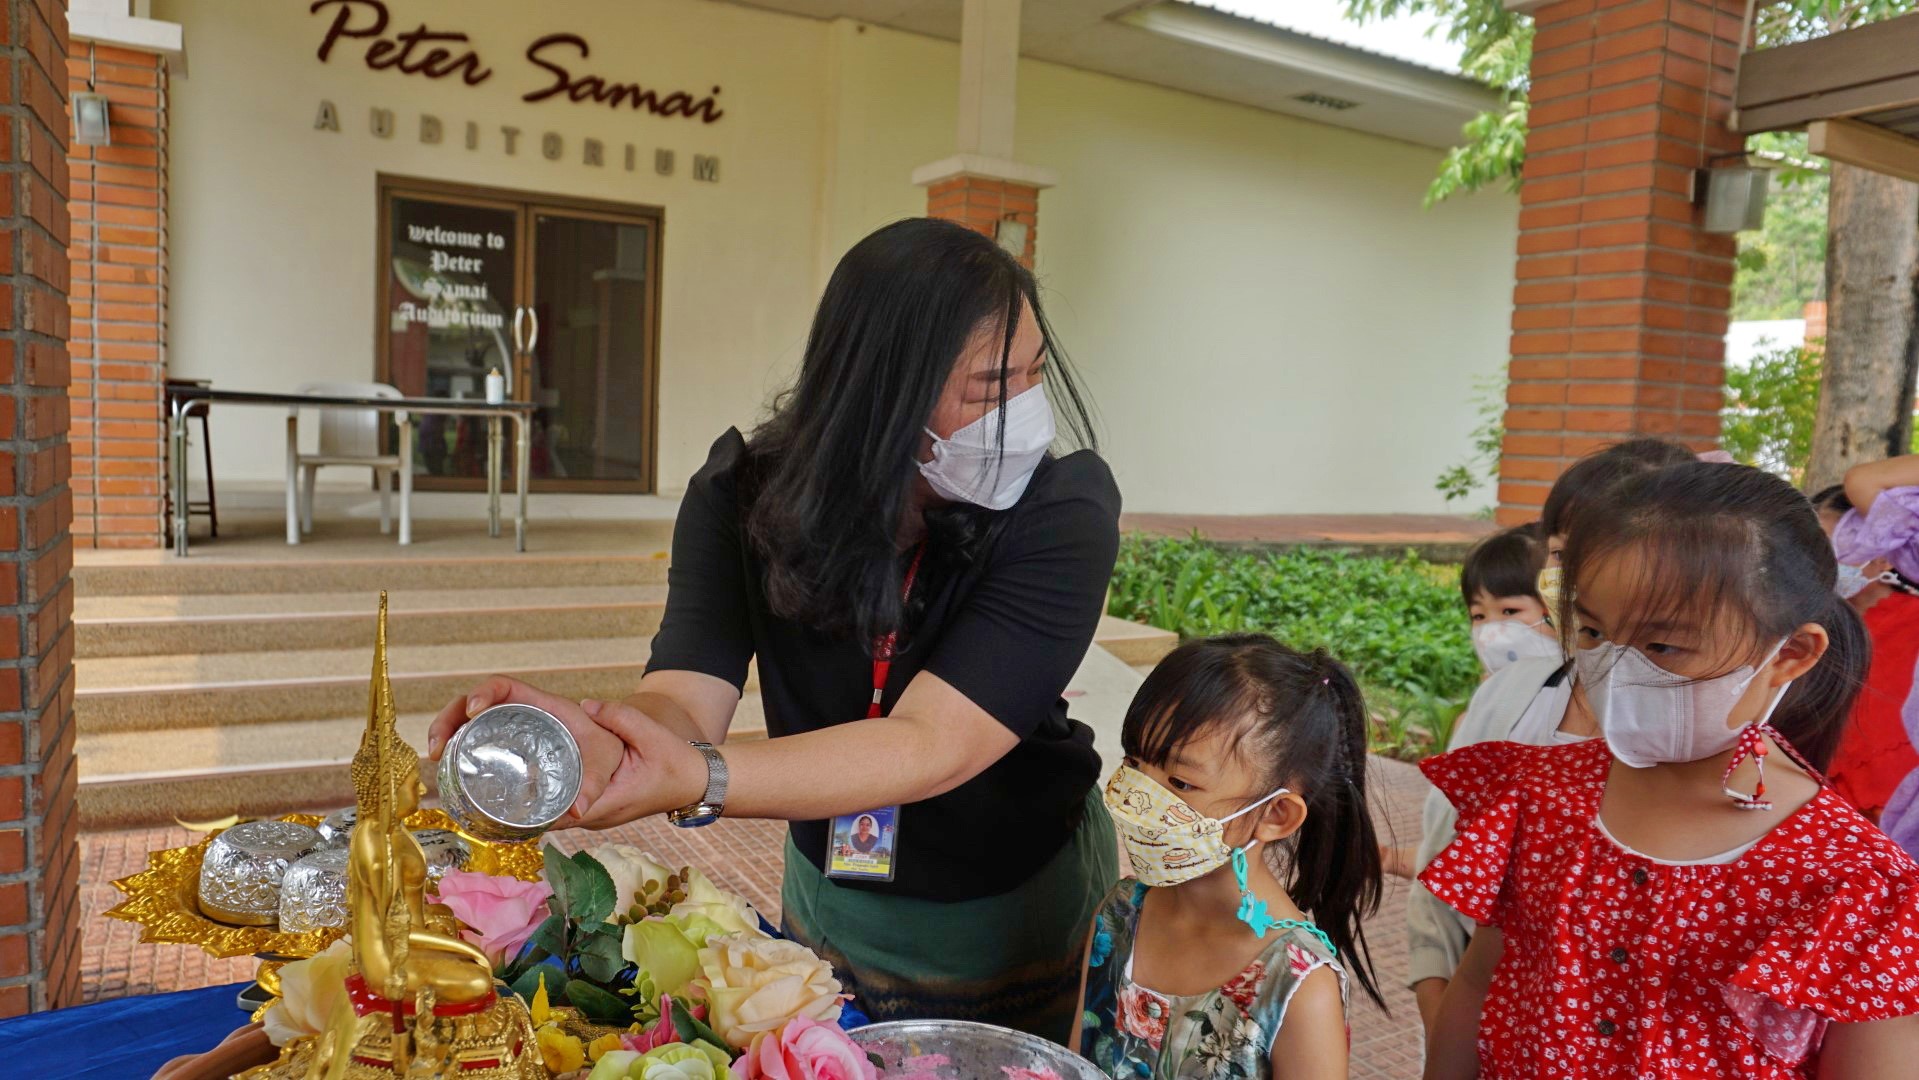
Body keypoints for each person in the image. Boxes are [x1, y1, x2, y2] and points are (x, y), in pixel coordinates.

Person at [428, 218, 1122, 1041]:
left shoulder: (1060, 512)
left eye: (1033, 374)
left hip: (1007, 888)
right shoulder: (742, 495)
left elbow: (935, 742)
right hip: (833, 879)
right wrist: (601, 745)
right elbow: (684, 696)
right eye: (988, 387)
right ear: (881, 388)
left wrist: (698, 779)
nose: (1023, 414)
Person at [1421, 462, 1919, 1079]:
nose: (1618, 668)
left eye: (1663, 646)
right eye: (1594, 631)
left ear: (1789, 654)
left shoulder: (1854, 881)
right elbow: (1478, 985)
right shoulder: (1538, 793)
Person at [1400, 437, 1693, 1032]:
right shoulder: (1509, 695)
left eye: (1613, 550)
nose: (1581, 575)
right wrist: (1441, 1017)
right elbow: (1439, 875)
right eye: (1562, 553)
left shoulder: (1707, 738)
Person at [1074, 635, 1384, 1080]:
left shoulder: (1298, 987)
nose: (1142, 797)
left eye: (1180, 782)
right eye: (1135, 763)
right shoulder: (1120, 914)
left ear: (1276, 814)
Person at [1819, 458, 1919, 856]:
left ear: (1881, 551)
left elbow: (1864, 480)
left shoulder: (1905, 626)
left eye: (1832, 547)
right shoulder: (1819, 632)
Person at [1461, 524, 1556, 678]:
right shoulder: (1492, 692)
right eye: (1478, 616)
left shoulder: (1587, 688)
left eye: (1509, 611)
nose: (1492, 630)